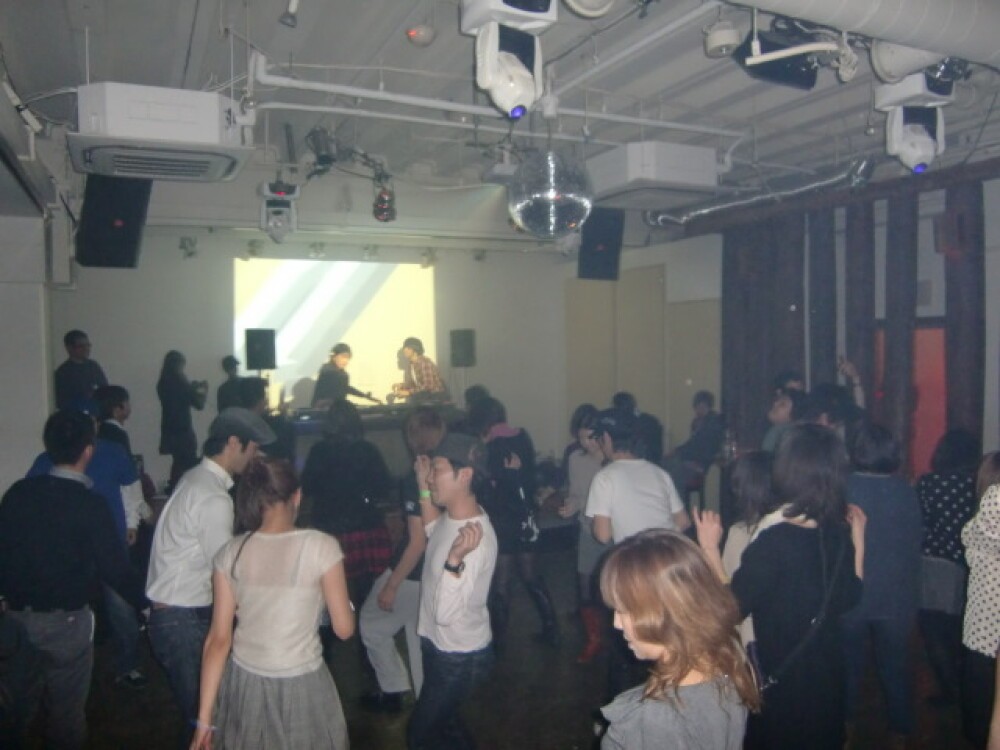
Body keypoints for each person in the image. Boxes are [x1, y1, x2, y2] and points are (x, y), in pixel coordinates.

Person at [694, 423, 865, 750]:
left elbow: (730, 609)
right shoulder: (835, 534)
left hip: (785, 681)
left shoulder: (774, 542)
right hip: (828, 678)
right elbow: (851, 597)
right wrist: (859, 538)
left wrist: (710, 550)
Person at [0, 410, 143, 749]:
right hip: (66, 622)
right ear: (88, 450)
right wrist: (148, 603)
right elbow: (115, 569)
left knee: (15, 711)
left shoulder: (18, 493)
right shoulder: (89, 504)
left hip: (16, 618)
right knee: (66, 716)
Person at [190, 457, 355, 750]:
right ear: (297, 496)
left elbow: (217, 640)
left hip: (246, 681)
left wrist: (204, 720)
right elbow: (344, 629)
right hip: (302, 679)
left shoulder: (230, 552)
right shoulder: (321, 546)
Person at [146, 407, 276, 744]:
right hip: (182, 620)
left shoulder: (195, 478)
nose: (256, 457)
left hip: (174, 616)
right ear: (233, 443)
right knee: (206, 722)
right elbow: (226, 571)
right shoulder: (213, 497)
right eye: (253, 448)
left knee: (201, 718)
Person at [598, 529, 759, 749]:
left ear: (666, 612)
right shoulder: (728, 657)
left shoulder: (654, 721)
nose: (616, 623)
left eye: (624, 610)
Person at [27, 398, 148, 689]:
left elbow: (131, 488)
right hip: (68, 550)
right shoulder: (49, 458)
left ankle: (127, 665)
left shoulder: (113, 451)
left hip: (110, 541)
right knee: (68, 611)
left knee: (120, 608)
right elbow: (34, 500)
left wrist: (132, 523)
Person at [585, 406, 690, 697]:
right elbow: (683, 522)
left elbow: (603, 535)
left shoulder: (606, 477)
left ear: (607, 438)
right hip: (669, 566)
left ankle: (621, 712)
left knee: (624, 647)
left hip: (636, 571)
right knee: (666, 641)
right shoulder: (658, 472)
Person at [407, 433, 498, 750]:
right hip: (441, 647)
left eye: (437, 469)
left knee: (420, 736)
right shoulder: (456, 519)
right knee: (446, 727)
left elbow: (446, 615)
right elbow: (434, 531)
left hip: (458, 657)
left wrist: (454, 561)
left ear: (465, 474)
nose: (431, 477)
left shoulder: (474, 540)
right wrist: (422, 487)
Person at [841, 424, 922, 745]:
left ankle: (844, 730)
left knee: (848, 668)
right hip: (897, 595)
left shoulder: (844, 488)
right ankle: (900, 733)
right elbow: (915, 543)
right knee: (896, 667)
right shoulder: (906, 491)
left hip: (853, 593)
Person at [358, 407, 442, 713]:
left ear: (411, 437)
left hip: (413, 571)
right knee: (415, 633)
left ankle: (395, 687)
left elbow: (417, 542)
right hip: (437, 568)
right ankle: (425, 704)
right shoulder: (448, 470)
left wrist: (392, 585)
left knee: (370, 624)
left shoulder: (416, 477)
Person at [469, 396, 560, 649]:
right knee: (531, 575)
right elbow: (528, 475)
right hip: (525, 515)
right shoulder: (522, 436)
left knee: (501, 580)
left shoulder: (490, 447)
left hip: (502, 518)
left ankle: (497, 642)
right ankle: (552, 629)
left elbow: (490, 486)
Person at [299, 400, 393, 608]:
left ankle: (337, 623)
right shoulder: (367, 450)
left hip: (328, 528)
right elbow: (383, 488)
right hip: (364, 529)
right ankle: (359, 621)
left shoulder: (318, 451)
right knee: (364, 592)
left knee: (328, 592)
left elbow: (307, 487)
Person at [917, 429, 981, 707]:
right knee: (962, 631)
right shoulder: (979, 483)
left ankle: (950, 691)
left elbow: (919, 524)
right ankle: (967, 691)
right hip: (971, 564)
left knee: (934, 629)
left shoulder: (930, 483)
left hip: (937, 564)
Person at [557, 404, 607, 663]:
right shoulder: (576, 459)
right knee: (585, 584)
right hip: (587, 529)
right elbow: (577, 494)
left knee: (612, 588)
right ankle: (593, 639)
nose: (586, 443)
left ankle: (616, 638)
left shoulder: (613, 460)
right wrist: (570, 506)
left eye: (590, 437)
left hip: (614, 532)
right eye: (581, 437)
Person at [960, 452, 1000, 749]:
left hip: (988, 624)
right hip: (986, 622)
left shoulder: (996, 497)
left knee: (982, 708)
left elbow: (973, 536)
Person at [157, 350, 209, 490]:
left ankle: (175, 489)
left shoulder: (163, 382)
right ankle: (185, 490)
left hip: (169, 428)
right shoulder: (180, 382)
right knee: (188, 462)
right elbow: (198, 404)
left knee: (178, 463)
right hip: (183, 428)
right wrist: (202, 390)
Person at [312, 342, 380, 409]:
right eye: (343, 357)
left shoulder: (340, 373)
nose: (346, 361)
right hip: (324, 410)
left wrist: (365, 396)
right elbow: (336, 395)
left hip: (333, 408)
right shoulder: (329, 372)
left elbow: (345, 388)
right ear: (334, 357)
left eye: (348, 358)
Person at [54, 329, 108, 409]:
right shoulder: (62, 372)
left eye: (88, 345)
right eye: (81, 346)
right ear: (69, 348)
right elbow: (61, 401)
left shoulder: (93, 366)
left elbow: (105, 390)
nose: (86, 349)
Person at [392, 337, 446, 402]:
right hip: (423, 400)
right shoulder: (411, 365)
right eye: (404, 348)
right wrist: (401, 386)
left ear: (415, 350)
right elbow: (414, 385)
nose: (405, 350)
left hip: (436, 399)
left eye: (408, 348)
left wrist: (408, 392)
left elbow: (428, 386)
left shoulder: (424, 363)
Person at [760, 388, 806, 453]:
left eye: (783, 404)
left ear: (795, 412)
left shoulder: (777, 432)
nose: (775, 404)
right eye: (777, 400)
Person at [94, 384, 134, 456]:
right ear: (117, 409)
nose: (129, 405)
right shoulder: (117, 434)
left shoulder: (99, 430)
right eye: (126, 402)